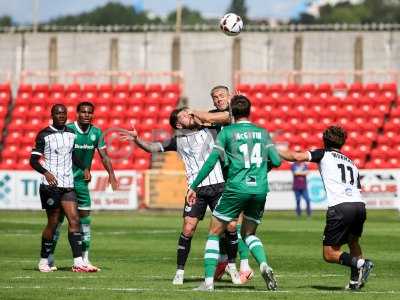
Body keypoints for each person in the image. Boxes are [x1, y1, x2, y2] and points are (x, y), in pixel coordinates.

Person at [120, 107, 241, 285]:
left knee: (230, 226)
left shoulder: (211, 130)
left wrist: (233, 104)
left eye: (189, 113)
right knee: (188, 228)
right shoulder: (176, 141)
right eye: (184, 115)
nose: (189, 115)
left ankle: (232, 266)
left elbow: (230, 118)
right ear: (178, 123)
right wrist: (137, 140)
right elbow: (152, 148)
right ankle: (179, 271)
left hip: (218, 187)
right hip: (196, 190)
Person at [187, 95, 282, 291]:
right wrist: (260, 171)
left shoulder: (227, 132)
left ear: (232, 113)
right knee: (248, 233)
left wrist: (194, 185)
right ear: (250, 111)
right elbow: (277, 161)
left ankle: (208, 283)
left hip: (236, 187)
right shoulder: (263, 132)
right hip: (260, 189)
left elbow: (212, 160)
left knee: (214, 232)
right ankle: (264, 265)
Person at [278, 125, 374, 290]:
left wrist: (271, 149)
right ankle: (354, 282)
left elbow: (295, 156)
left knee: (329, 254)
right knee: (353, 242)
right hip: (359, 205)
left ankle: (362, 263)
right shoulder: (351, 162)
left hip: (341, 206)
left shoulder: (323, 154)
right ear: (343, 143)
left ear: (324, 140)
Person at [192, 85, 255, 283]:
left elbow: (216, 118)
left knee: (232, 222)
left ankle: (240, 265)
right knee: (225, 223)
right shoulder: (214, 114)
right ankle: (229, 264)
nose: (218, 99)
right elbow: (199, 121)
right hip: (221, 173)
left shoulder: (234, 114)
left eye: (221, 96)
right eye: (215, 97)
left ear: (229, 97)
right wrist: (197, 117)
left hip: (238, 172)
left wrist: (195, 112)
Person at [49, 102, 118, 271]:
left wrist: (112, 174)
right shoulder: (68, 130)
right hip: (63, 182)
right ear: (77, 113)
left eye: (89, 112)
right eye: (83, 112)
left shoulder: (96, 132)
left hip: (81, 183)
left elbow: (104, 156)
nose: (86, 115)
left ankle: (85, 259)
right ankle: (49, 258)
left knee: (85, 220)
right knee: (57, 221)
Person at [29, 104, 95, 272]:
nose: (61, 116)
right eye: (58, 113)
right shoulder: (44, 134)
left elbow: (72, 156)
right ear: (52, 115)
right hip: (51, 187)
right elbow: (34, 160)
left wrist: (84, 167)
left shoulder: (71, 133)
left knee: (75, 220)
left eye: (64, 113)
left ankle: (78, 262)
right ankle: (44, 260)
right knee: (52, 223)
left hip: (68, 185)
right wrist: (45, 172)